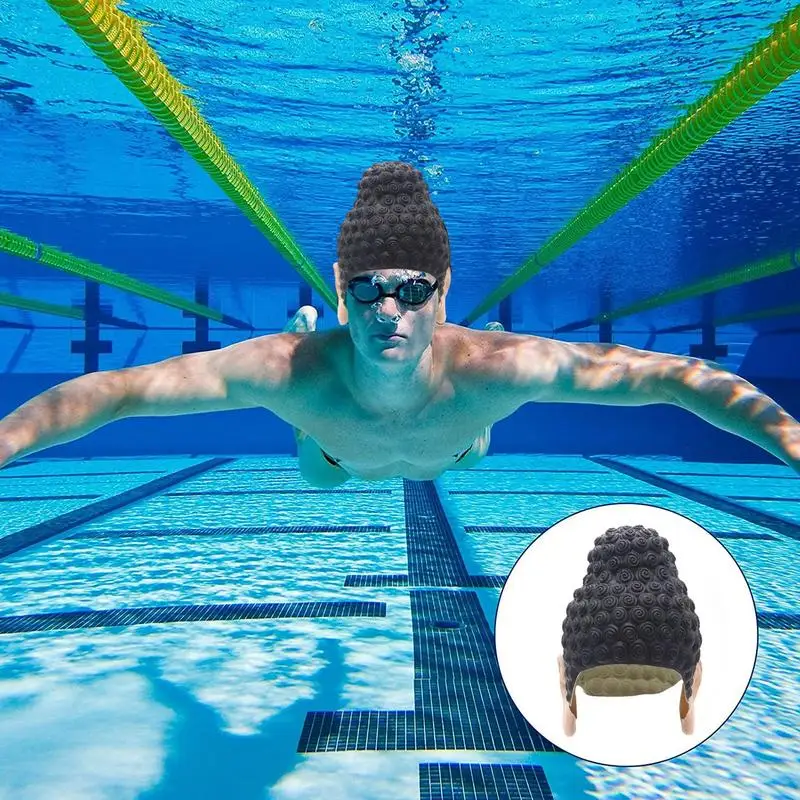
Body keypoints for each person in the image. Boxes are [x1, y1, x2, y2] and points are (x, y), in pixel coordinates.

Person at [0, 162, 798, 487]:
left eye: (412, 292)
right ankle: (305, 337)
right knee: (320, 474)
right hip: (335, 449)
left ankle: (437, 405)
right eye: (366, 291)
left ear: (443, 291)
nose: (389, 312)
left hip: (454, 440)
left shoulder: (502, 367)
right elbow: (116, 392)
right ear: (341, 289)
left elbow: (676, 379)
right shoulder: (281, 370)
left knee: (476, 434)